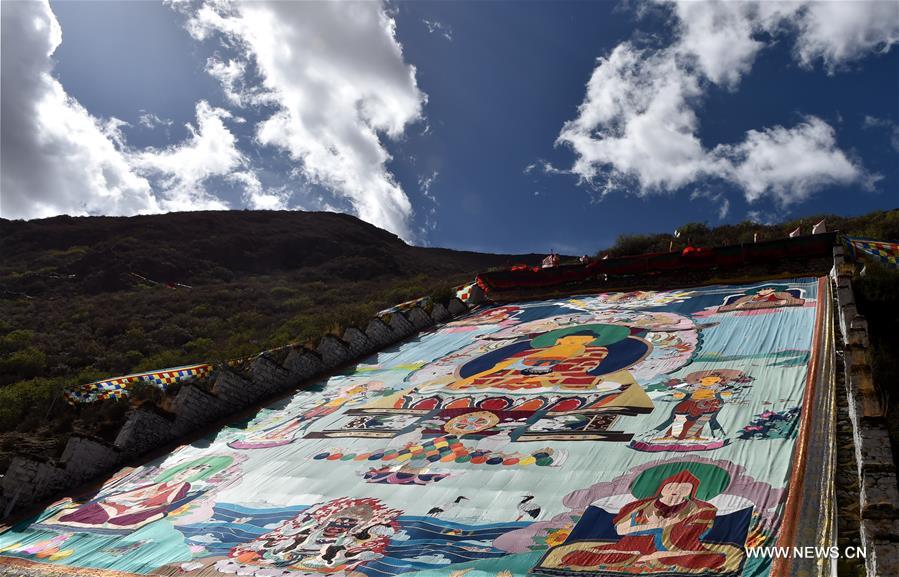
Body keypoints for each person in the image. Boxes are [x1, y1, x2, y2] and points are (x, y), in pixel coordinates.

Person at [560, 470, 726, 570]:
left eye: (684, 487)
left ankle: (652, 556)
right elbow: (621, 530)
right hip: (631, 546)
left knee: (715, 558)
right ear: (662, 489)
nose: (676, 490)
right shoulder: (639, 507)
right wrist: (656, 526)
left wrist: (672, 526)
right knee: (578, 556)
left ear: (691, 491)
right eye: (671, 486)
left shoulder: (702, 509)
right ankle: (644, 556)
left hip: (676, 547)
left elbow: (697, 533)